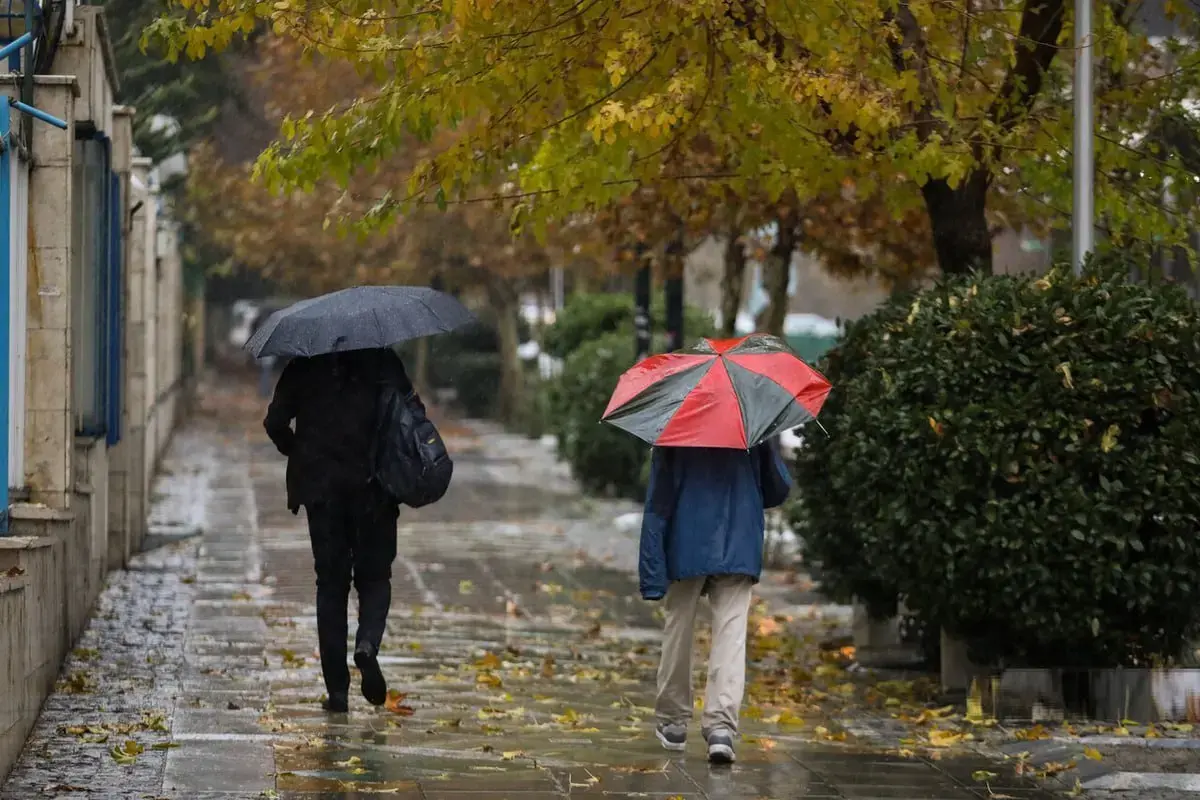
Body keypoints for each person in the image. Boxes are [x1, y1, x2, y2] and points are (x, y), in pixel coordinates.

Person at [264, 347, 414, 713]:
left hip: (322, 491)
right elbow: (408, 414)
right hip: (373, 489)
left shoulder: (304, 365)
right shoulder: (382, 361)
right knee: (375, 577)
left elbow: (274, 422)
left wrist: (298, 449)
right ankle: (367, 644)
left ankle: (338, 692)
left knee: (331, 584)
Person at [638, 439, 793, 764]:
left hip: (684, 540)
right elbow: (778, 488)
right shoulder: (751, 427)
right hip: (739, 539)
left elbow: (658, 503)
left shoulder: (674, 428)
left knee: (678, 628)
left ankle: (673, 721)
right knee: (731, 634)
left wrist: (652, 574)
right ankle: (721, 728)